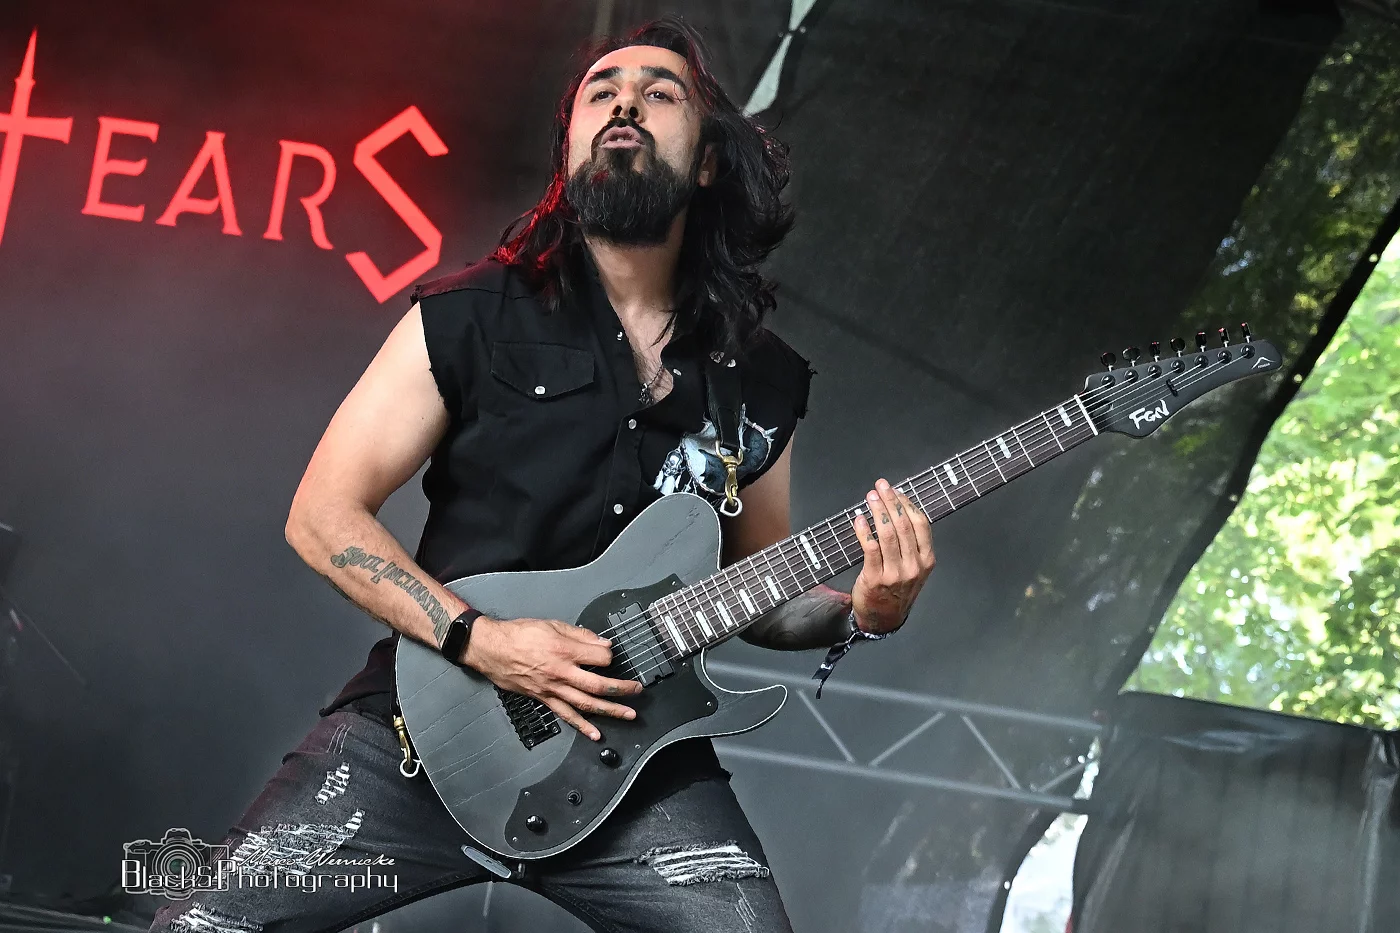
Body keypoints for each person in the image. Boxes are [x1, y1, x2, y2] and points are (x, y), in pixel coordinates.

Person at [150, 16, 934, 933]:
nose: (625, 105)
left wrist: (862, 611)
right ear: (569, 151)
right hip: (424, 735)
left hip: (638, 764)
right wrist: (481, 640)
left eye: (660, 93)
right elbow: (322, 514)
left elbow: (758, 590)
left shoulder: (760, 380)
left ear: (709, 163)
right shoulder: (470, 313)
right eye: (602, 93)